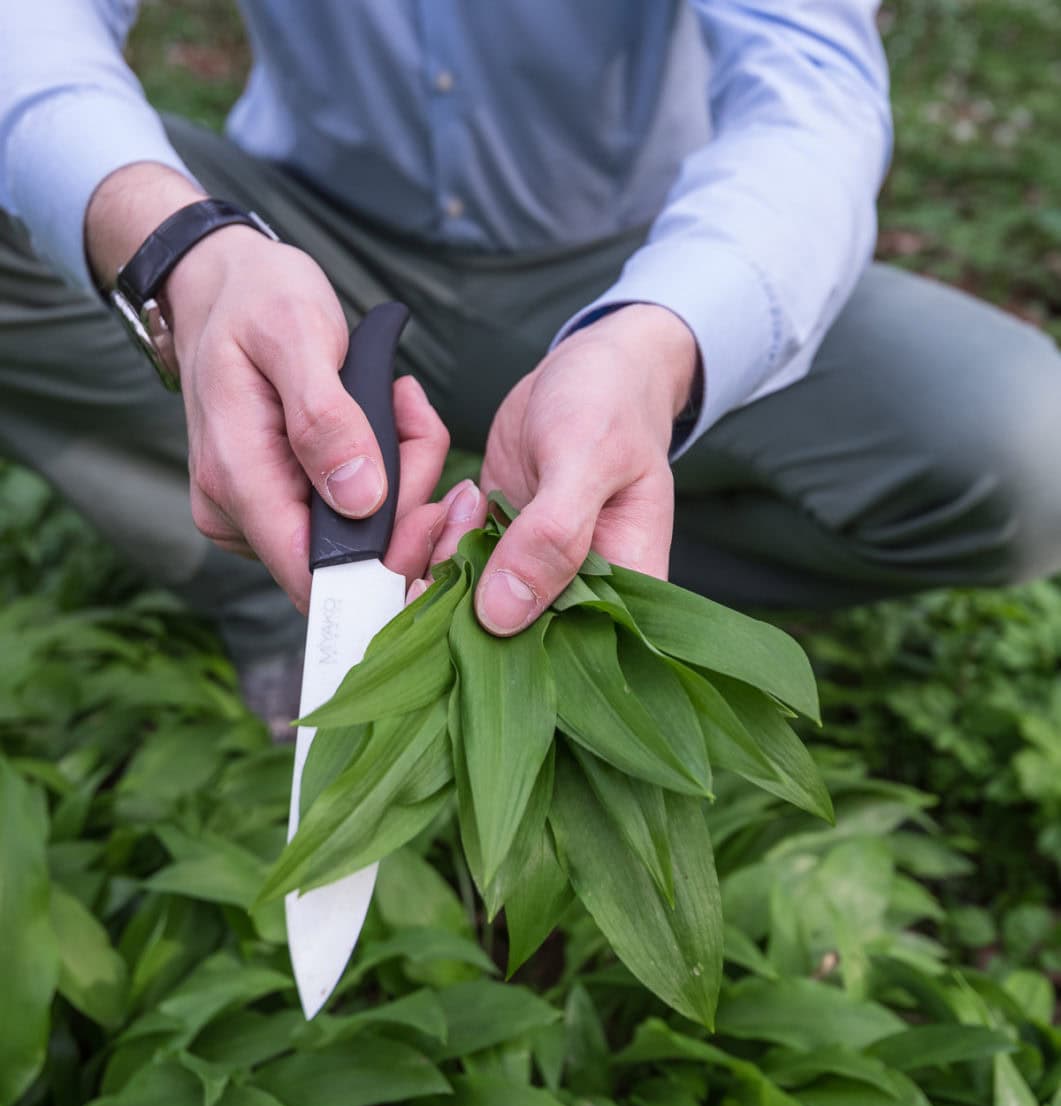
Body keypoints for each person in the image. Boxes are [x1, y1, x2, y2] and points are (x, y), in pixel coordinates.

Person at [2, 3, 1059, 735]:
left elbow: (810, 90)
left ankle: (558, 578)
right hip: (306, 246)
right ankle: (279, 588)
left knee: (1024, 446)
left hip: (641, 262)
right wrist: (180, 248)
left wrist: (656, 343)